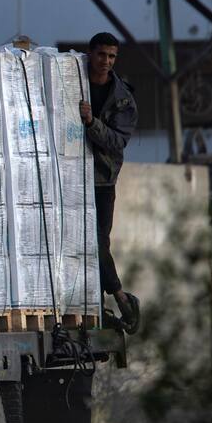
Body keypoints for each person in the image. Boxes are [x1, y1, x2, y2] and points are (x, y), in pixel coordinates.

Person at [79, 32, 141, 334]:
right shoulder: (73, 81)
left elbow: (117, 142)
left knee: (97, 241)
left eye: (112, 57)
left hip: (102, 180)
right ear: (90, 54)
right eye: (101, 54)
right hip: (71, 179)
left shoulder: (123, 99)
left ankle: (119, 297)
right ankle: (114, 297)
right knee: (82, 243)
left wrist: (92, 124)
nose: (106, 62)